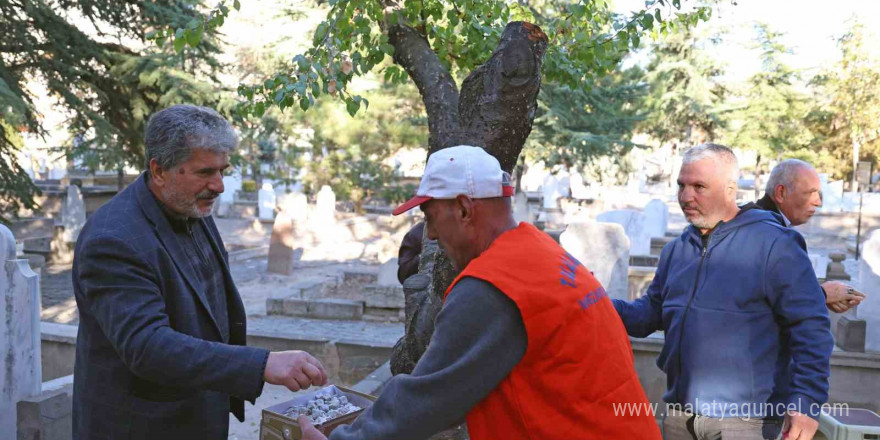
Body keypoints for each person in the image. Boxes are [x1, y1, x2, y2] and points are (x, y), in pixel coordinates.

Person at [298, 145, 661, 440]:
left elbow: (427, 398)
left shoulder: (492, 286)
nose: (433, 235)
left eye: (430, 217)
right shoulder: (540, 250)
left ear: (464, 209)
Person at [72, 105, 328, 440]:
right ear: (159, 170)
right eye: (205, 172)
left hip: (199, 413)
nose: (219, 185)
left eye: (223, 170)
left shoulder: (189, 206)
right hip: (140, 425)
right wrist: (261, 364)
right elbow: (146, 346)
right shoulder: (113, 239)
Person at [614, 144, 833, 440]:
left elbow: (811, 326)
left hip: (746, 421)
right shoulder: (676, 251)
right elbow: (647, 316)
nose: (686, 196)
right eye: (682, 185)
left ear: (730, 189)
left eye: (698, 186)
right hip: (680, 416)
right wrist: (593, 300)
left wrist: (806, 402)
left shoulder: (775, 244)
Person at [748, 159, 865, 313]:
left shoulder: (749, 219)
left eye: (818, 193)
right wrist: (822, 294)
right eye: (810, 193)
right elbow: (781, 303)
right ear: (781, 193)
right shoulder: (780, 238)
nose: (818, 202)